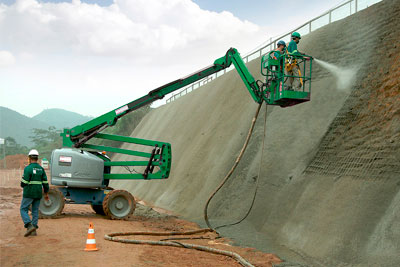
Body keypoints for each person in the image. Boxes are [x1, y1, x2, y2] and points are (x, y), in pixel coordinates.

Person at [20, 149, 49, 237]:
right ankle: (34, 230)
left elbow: (24, 183)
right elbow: (45, 184)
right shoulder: (41, 169)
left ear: (29, 158)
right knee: (35, 211)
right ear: (37, 158)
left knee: (23, 209)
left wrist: (22, 184)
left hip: (29, 193)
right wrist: (46, 193)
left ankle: (29, 225)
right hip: (38, 193)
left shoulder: (27, 168)